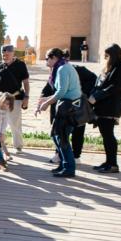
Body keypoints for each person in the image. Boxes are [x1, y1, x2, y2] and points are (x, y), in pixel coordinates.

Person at [36, 48, 82, 177]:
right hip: (66, 105)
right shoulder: (62, 67)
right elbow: (60, 91)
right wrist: (45, 99)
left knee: (61, 137)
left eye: (47, 58)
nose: (45, 61)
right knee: (57, 136)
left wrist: (46, 103)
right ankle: (63, 164)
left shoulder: (62, 69)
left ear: (54, 58)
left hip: (68, 107)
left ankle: (69, 168)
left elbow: (62, 91)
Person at [89, 43, 121, 174]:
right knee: (106, 135)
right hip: (102, 106)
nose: (105, 58)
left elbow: (114, 87)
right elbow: (100, 83)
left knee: (108, 135)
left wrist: (96, 97)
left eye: (107, 55)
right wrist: (92, 95)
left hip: (110, 107)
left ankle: (113, 164)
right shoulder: (111, 67)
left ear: (113, 56)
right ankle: (109, 162)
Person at [0, 44, 30, 153]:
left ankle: (18, 146)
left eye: (7, 53)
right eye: (3, 54)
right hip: (0, 99)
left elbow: (26, 82)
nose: (5, 55)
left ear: (13, 53)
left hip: (15, 98)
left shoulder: (20, 65)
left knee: (15, 123)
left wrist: (26, 97)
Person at [0, 92, 15, 163]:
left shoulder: (6, 112)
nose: (5, 105)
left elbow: (5, 123)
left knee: (0, 142)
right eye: (4, 102)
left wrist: (2, 133)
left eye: (8, 104)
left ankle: (4, 156)